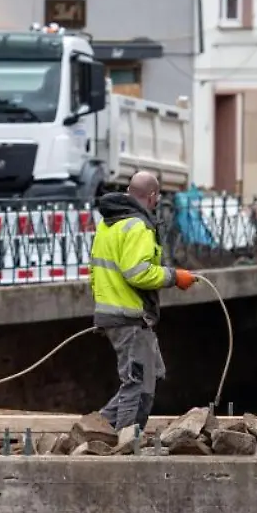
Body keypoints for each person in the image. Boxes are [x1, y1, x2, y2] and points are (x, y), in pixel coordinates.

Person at [90, 171, 198, 432]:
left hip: (115, 312)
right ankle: (126, 445)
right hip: (128, 315)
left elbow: (97, 269)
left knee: (146, 380)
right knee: (137, 384)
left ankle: (96, 429)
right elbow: (137, 272)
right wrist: (175, 276)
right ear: (152, 196)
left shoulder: (110, 222)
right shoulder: (137, 225)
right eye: (158, 196)